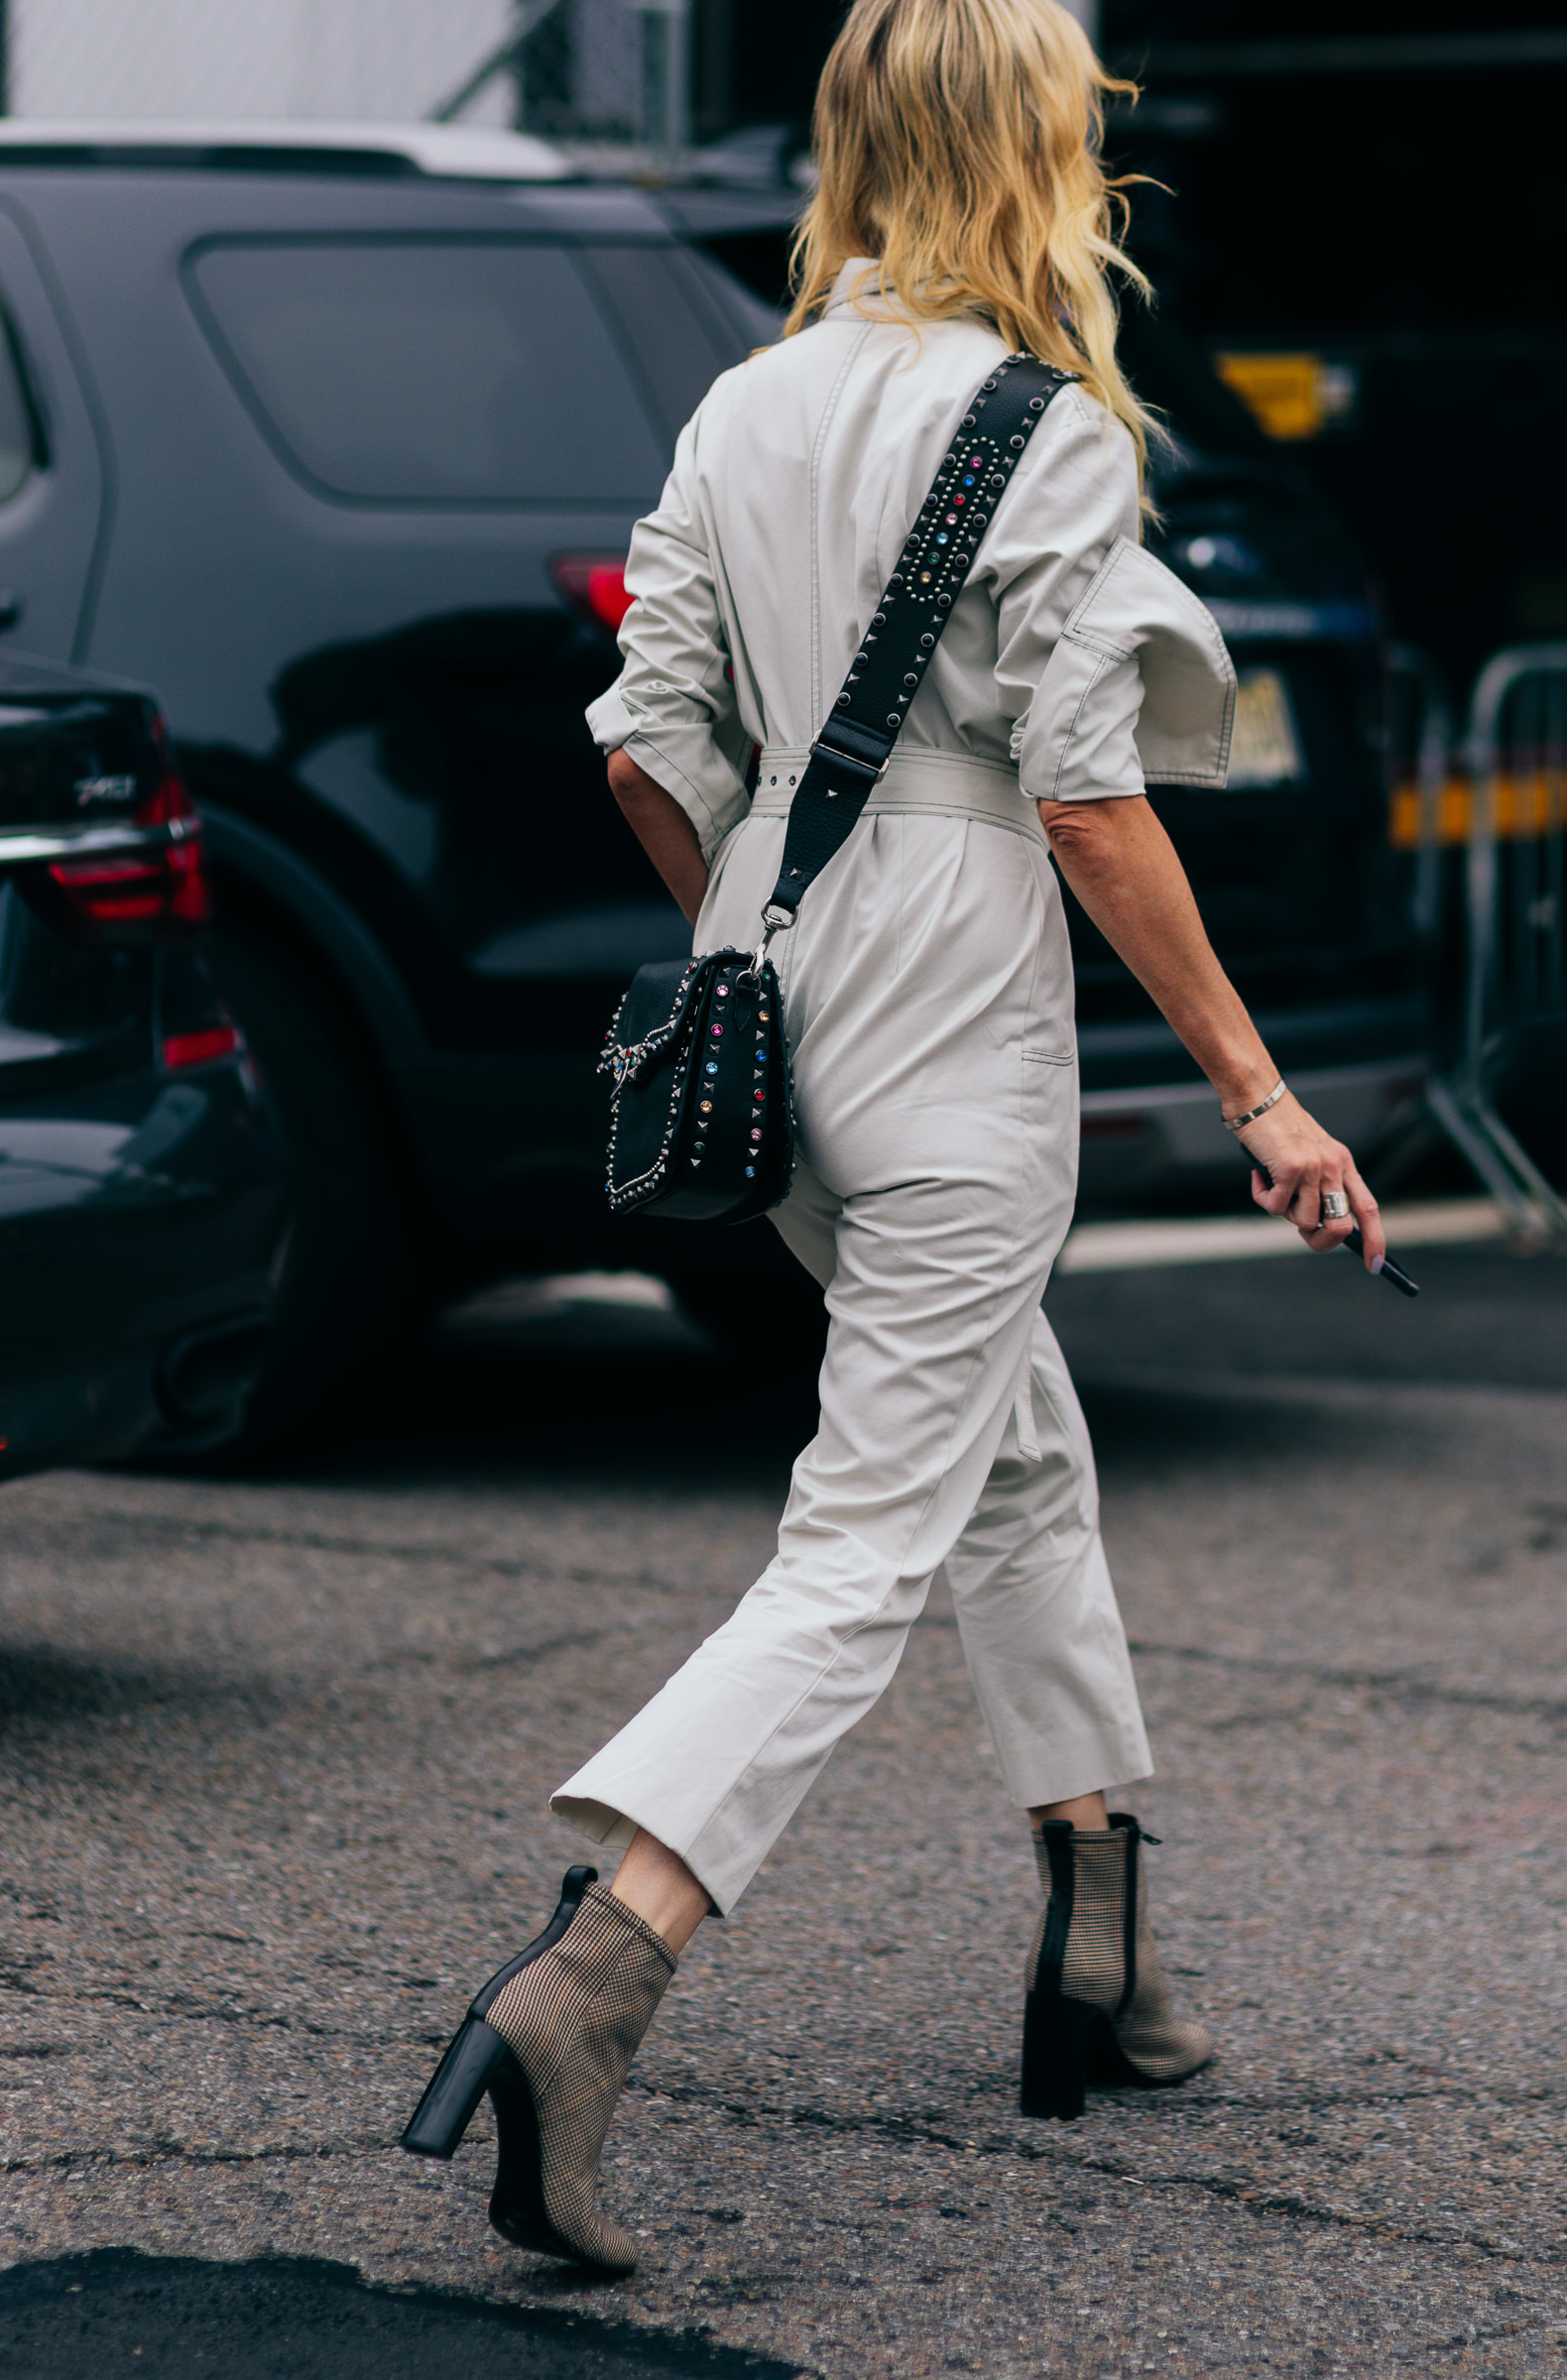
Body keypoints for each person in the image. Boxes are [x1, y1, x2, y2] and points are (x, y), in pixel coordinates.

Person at [402, 0, 1386, 2271]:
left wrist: (769, 940)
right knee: (861, 1539)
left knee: (1004, 1453)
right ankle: (596, 1972)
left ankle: (1099, 1943)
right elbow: (1081, 787)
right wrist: (1255, 1085)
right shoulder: (1035, 419)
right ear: (1033, 149)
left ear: (855, 142)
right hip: (952, 992)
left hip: (772, 976)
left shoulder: (740, 400)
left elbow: (646, 740)